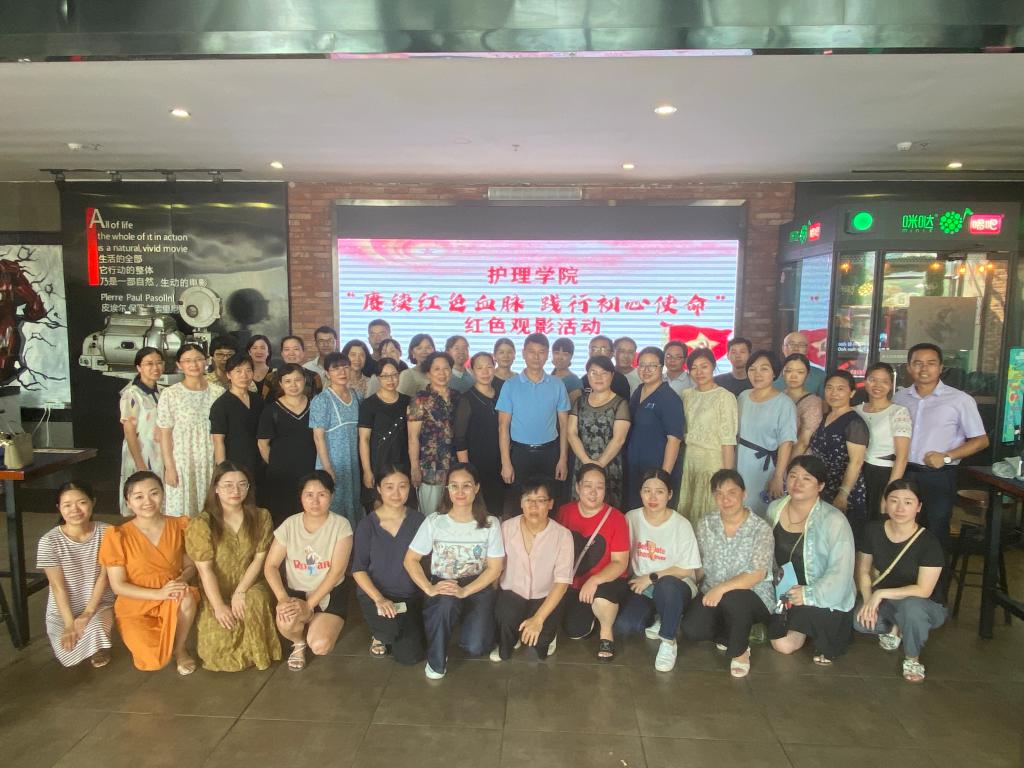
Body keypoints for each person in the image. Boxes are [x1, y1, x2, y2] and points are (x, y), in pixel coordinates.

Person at [404, 463, 504, 679]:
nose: (460, 492)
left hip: (478, 584)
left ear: (476, 488)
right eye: (454, 486)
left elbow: (495, 568)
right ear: (447, 489)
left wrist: (465, 591)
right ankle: (436, 661)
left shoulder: (490, 523)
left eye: (466, 486)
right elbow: (410, 560)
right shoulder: (434, 521)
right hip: (445, 582)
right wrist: (429, 588)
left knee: (476, 646)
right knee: (445, 604)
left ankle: (469, 624)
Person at [893, 342, 988, 560]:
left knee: (935, 533)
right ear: (909, 367)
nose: (924, 369)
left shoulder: (960, 400)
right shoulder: (899, 398)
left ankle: (936, 582)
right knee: (902, 529)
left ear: (941, 367)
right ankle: (906, 579)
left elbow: (981, 440)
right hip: (904, 473)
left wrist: (947, 456)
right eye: (918, 363)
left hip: (938, 476)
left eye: (931, 363)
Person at [99, 471, 200, 673]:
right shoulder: (117, 535)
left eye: (154, 493)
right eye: (139, 497)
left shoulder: (179, 525)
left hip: (172, 595)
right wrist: (158, 594)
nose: (148, 501)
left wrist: (181, 580)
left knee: (187, 597)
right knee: (153, 660)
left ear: (163, 494)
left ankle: (180, 648)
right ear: (128, 502)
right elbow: (118, 586)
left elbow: (190, 566)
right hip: (135, 602)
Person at [185, 462, 280, 672]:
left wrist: (241, 591)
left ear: (249, 488)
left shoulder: (261, 516)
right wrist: (219, 606)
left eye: (242, 484)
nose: (235, 491)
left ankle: (260, 655)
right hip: (215, 590)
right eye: (228, 485)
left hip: (250, 584)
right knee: (217, 644)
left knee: (255, 600)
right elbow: (205, 571)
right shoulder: (201, 523)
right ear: (216, 488)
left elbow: (259, 560)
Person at [682, 469, 774, 678]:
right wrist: (686, 585)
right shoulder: (705, 524)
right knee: (692, 629)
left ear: (744, 493)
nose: (726, 500)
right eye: (719, 494)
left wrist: (722, 589)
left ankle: (740, 651)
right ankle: (730, 633)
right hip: (713, 592)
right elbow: (699, 565)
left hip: (752, 595)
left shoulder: (760, 528)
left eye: (732, 493)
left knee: (735, 598)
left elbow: (757, 574)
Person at [767, 456, 856, 666]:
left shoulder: (834, 520)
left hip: (822, 594)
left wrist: (808, 594)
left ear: (821, 486)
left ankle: (814, 629)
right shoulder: (774, 509)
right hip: (784, 591)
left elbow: (841, 572)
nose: (797, 483)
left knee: (784, 645)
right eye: (793, 476)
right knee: (778, 640)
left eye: (806, 478)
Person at [854, 479, 946, 683]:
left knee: (911, 608)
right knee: (861, 622)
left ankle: (912, 658)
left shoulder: (929, 542)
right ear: (885, 503)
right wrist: (869, 601)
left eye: (908, 502)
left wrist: (880, 594)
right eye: (894, 500)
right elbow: (863, 570)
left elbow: (923, 590)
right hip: (889, 602)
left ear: (918, 507)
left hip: (925, 605)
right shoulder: (873, 530)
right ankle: (897, 627)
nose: (900, 508)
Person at [264, 471, 354, 671]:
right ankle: (298, 643)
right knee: (287, 623)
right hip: (296, 592)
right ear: (301, 496)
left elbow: (337, 572)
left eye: (322, 494)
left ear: (331, 496)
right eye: (309, 495)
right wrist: (282, 599)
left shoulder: (341, 525)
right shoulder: (290, 524)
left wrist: (309, 605)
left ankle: (316, 622)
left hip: (329, 593)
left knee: (320, 646)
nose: (315, 501)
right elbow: (270, 566)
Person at [616, 469, 701, 672]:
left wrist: (651, 577)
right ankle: (663, 615)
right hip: (642, 585)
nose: (652, 497)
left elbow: (687, 569)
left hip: (677, 583)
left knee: (666, 586)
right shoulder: (631, 518)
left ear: (670, 494)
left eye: (660, 492)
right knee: (625, 625)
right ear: (640, 493)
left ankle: (668, 641)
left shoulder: (681, 524)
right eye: (647, 491)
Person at [492, 477, 572, 662]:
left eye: (541, 500)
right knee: (505, 627)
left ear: (550, 504)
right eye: (528, 500)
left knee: (541, 648)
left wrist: (538, 619)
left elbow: (561, 583)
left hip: (545, 595)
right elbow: (497, 567)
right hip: (513, 592)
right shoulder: (506, 528)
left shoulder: (563, 535)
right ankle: (513, 635)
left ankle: (544, 632)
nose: (534, 506)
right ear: (521, 503)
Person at [351, 466, 426, 664]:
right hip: (376, 595)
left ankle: (398, 626)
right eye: (389, 487)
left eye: (402, 486)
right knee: (390, 631)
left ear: (409, 487)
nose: (396, 493)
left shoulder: (419, 520)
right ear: (379, 488)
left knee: (410, 657)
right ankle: (380, 634)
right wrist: (379, 599)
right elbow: (358, 569)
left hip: (409, 596)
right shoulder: (367, 525)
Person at [37, 481, 115, 668]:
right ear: (59, 508)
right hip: (63, 609)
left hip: (99, 603)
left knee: (98, 625)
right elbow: (58, 587)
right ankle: (91, 641)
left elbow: (104, 577)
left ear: (93, 502)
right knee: (67, 654)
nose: (75, 510)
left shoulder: (108, 532)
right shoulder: (49, 541)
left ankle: (99, 646)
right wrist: (69, 624)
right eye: (67, 505)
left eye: (82, 502)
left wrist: (87, 613)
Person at [556, 464, 630, 661]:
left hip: (607, 580)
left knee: (603, 597)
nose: (593, 492)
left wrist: (595, 580)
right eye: (588, 485)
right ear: (578, 487)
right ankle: (594, 614)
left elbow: (620, 563)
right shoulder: (564, 512)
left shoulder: (616, 518)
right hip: (573, 583)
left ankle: (606, 632)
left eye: (600, 487)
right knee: (575, 631)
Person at [497, 333, 571, 496]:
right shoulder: (510, 385)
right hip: (519, 454)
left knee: (549, 500)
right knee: (519, 501)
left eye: (541, 352)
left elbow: (564, 425)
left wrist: (563, 459)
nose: (536, 357)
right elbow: (503, 427)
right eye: (531, 351)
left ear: (547, 354)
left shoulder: (557, 384)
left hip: (550, 453)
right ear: (523, 353)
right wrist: (506, 463)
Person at [158, 343, 224, 518]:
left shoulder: (218, 393)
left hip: (209, 460)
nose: (193, 365)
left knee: (210, 510)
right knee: (182, 513)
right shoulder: (170, 394)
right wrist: (169, 467)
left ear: (207, 361)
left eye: (198, 359)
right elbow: (165, 435)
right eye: (187, 361)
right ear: (179, 365)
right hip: (182, 462)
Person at [678, 347, 737, 525]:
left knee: (710, 511)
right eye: (694, 368)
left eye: (704, 366)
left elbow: (728, 440)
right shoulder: (687, 395)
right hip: (690, 461)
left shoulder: (724, 397)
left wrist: (727, 476)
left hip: (712, 462)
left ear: (713, 366)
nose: (699, 372)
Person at [736, 350, 797, 518]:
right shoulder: (743, 396)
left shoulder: (784, 403)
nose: (757, 374)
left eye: (764, 369)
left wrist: (778, 476)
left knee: (760, 512)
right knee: (738, 508)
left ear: (774, 372)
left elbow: (786, 443)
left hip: (764, 467)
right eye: (752, 369)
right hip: (739, 460)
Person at [809, 370, 869, 536]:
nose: (834, 393)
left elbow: (856, 462)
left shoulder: (854, 423)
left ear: (852, 392)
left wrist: (843, 493)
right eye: (829, 388)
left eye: (840, 389)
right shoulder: (825, 417)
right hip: (822, 486)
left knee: (842, 538)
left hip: (844, 488)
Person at [258, 363, 317, 527]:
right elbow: (263, 444)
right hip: (281, 476)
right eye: (288, 381)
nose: (293, 385)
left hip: (310, 470)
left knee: (310, 513)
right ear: (281, 384)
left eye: (297, 380)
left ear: (304, 380)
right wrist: (277, 464)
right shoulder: (271, 410)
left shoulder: (316, 406)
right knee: (283, 518)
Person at [567, 355, 630, 509]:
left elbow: (619, 439)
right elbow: (571, 433)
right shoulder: (580, 401)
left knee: (606, 507)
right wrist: (586, 462)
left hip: (608, 464)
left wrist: (599, 465)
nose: (598, 377)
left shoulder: (620, 403)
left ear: (612, 375)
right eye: (593, 372)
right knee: (581, 507)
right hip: (582, 463)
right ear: (587, 375)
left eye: (604, 373)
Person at [625, 346, 684, 511]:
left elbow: (674, 441)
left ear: (661, 367)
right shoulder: (638, 391)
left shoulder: (669, 398)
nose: (646, 370)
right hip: (634, 467)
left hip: (656, 470)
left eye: (652, 366)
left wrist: (662, 479)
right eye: (642, 365)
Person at [855, 362, 912, 521]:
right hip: (858, 471)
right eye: (872, 379)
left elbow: (902, 457)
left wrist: (890, 492)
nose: (877, 385)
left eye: (884, 381)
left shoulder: (898, 412)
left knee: (877, 520)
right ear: (865, 381)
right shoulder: (856, 410)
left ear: (891, 385)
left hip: (883, 474)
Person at [310, 352, 362, 526]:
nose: (342, 372)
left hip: (353, 462)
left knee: (353, 504)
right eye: (336, 368)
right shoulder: (321, 400)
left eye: (346, 367)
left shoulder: (357, 396)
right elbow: (318, 437)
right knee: (334, 505)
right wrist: (327, 468)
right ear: (327, 373)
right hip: (332, 462)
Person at [454, 351, 505, 517]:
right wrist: (466, 469)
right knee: (478, 511)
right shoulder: (466, 399)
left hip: (501, 463)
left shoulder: (502, 395)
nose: (485, 372)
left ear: (494, 368)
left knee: (497, 510)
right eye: (480, 368)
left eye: (489, 367)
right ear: (472, 370)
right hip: (476, 464)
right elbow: (460, 438)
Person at [407, 351, 458, 516]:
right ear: (428, 374)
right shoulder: (420, 399)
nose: (442, 373)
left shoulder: (458, 397)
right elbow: (413, 437)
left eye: (446, 368)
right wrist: (415, 467)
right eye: (436, 369)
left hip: (455, 466)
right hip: (430, 466)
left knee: (454, 514)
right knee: (430, 516)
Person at [210, 353, 266, 500]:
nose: (244, 375)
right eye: (238, 371)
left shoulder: (258, 400)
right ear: (229, 375)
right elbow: (218, 441)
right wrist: (223, 471)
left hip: (258, 461)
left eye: (248, 370)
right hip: (235, 463)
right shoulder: (221, 405)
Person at [358, 357, 412, 510]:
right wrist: (367, 471)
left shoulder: (408, 401)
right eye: (385, 376)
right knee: (378, 507)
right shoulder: (369, 404)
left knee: (402, 506)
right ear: (378, 377)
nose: (391, 379)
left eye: (394, 375)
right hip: (378, 462)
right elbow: (364, 439)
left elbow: (412, 437)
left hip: (402, 461)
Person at [118, 346, 165, 516]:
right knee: (140, 493)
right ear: (139, 367)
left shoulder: (163, 391)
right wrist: (139, 463)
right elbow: (129, 431)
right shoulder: (131, 394)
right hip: (140, 451)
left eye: (159, 363)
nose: (155, 367)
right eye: (149, 364)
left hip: (160, 451)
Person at [781, 353, 823, 458]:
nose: (793, 376)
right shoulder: (778, 397)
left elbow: (804, 441)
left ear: (807, 375)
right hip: (773, 455)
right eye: (789, 371)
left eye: (800, 372)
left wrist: (787, 465)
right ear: (782, 373)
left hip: (798, 459)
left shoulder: (813, 402)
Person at [265, 336, 322, 400]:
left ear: (303, 352)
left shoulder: (314, 377)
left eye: (296, 349)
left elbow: (319, 402)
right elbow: (266, 402)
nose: (291, 353)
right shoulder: (271, 377)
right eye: (287, 349)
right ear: (282, 353)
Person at [581, 336, 631, 401]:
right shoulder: (584, 379)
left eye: (603, 349)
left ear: (612, 354)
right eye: (594, 349)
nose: (598, 353)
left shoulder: (620, 380)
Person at [551, 336, 583, 405]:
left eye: (565, 354)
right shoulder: (548, 377)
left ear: (571, 357)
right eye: (556, 353)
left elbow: (573, 409)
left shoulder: (574, 382)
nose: (560, 357)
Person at [246, 334, 275, 399]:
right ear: (249, 352)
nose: (259, 351)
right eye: (254, 348)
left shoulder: (276, 374)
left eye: (262, 348)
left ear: (268, 352)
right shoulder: (243, 374)